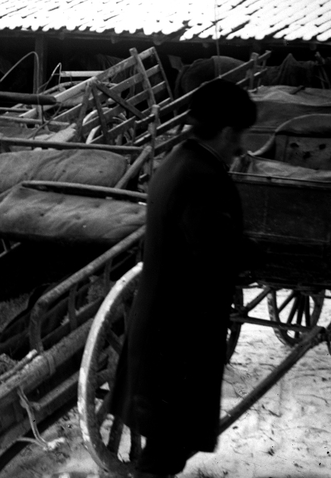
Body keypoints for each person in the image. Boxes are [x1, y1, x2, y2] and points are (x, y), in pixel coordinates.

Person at [115, 78, 258, 477]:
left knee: (166, 453)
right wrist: (251, 255)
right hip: (175, 345)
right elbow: (213, 253)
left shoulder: (179, 160)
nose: (242, 148)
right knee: (162, 458)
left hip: (164, 337)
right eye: (240, 137)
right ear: (227, 132)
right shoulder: (202, 177)